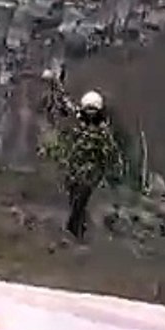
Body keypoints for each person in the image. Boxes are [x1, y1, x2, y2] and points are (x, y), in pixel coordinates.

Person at [50, 90, 123, 241]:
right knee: (74, 202)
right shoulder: (78, 121)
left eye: (93, 111)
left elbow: (111, 153)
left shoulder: (102, 132)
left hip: (90, 174)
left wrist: (114, 171)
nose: (90, 114)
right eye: (88, 110)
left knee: (80, 202)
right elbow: (66, 104)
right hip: (74, 171)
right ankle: (78, 231)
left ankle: (74, 232)